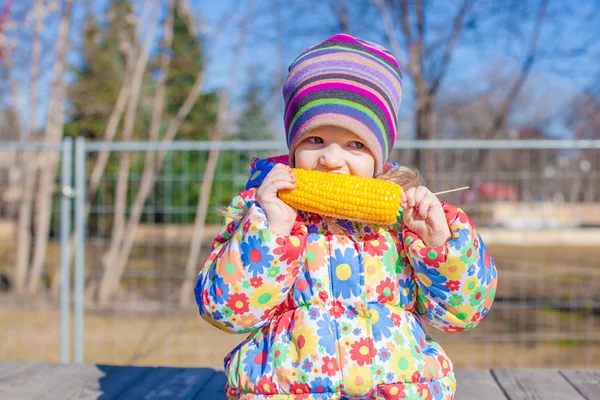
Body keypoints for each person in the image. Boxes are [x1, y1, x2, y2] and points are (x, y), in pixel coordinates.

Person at [195, 33, 497, 400]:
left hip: (399, 390)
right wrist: (269, 230)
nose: (332, 159)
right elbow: (226, 310)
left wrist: (437, 244)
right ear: (292, 147)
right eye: (315, 140)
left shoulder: (405, 223)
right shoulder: (262, 214)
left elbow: (462, 313)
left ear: (379, 157)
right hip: (287, 391)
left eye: (355, 144)